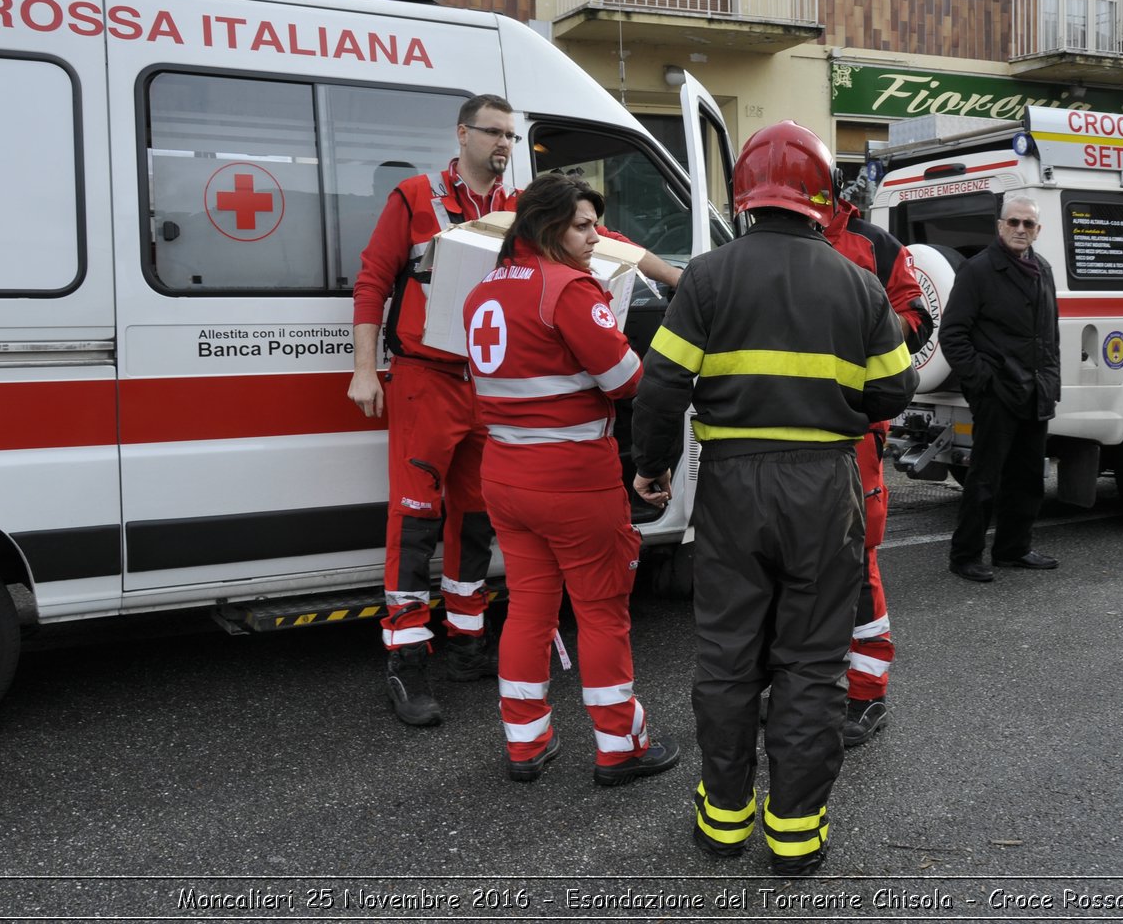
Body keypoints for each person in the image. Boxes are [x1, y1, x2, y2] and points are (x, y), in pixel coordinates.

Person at [630, 121, 918, 876]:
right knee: (812, 663)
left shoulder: (707, 276)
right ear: (824, 197)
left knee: (728, 657)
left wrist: (652, 467)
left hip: (732, 484)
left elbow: (661, 385)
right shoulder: (856, 281)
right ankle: (795, 834)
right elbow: (896, 385)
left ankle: (723, 822)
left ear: (748, 195)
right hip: (825, 484)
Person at [462, 173, 682, 786]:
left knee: (530, 606)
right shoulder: (568, 289)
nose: (595, 238)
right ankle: (620, 745)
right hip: (573, 479)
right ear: (546, 226)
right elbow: (629, 382)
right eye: (583, 226)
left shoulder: (482, 291)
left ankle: (525, 741)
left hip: (505, 473)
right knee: (601, 612)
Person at [349, 94, 521, 725]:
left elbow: (588, 245)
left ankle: (467, 645)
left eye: (511, 135)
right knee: (415, 520)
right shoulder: (416, 197)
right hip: (424, 378)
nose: (504, 144)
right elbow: (372, 281)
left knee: (475, 517)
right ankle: (407, 662)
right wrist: (365, 369)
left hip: (488, 381)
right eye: (494, 132)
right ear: (463, 135)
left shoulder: (518, 208)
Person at [822, 196, 934, 748]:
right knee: (794, 565)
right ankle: (808, 684)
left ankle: (867, 693)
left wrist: (863, 332)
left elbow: (917, 319)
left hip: (854, 428)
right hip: (785, 430)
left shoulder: (871, 245)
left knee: (856, 555)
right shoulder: (762, 240)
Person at [939, 195, 1061, 583]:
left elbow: (1049, 335)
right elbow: (953, 335)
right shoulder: (977, 271)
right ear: (1000, 226)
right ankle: (965, 556)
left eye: (1028, 224)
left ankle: (1013, 549)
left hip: (1035, 391)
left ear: (1038, 231)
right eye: (1014, 222)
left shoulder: (1042, 268)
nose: (1021, 230)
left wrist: (1051, 381)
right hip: (997, 393)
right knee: (985, 479)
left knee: (1028, 479)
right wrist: (982, 382)